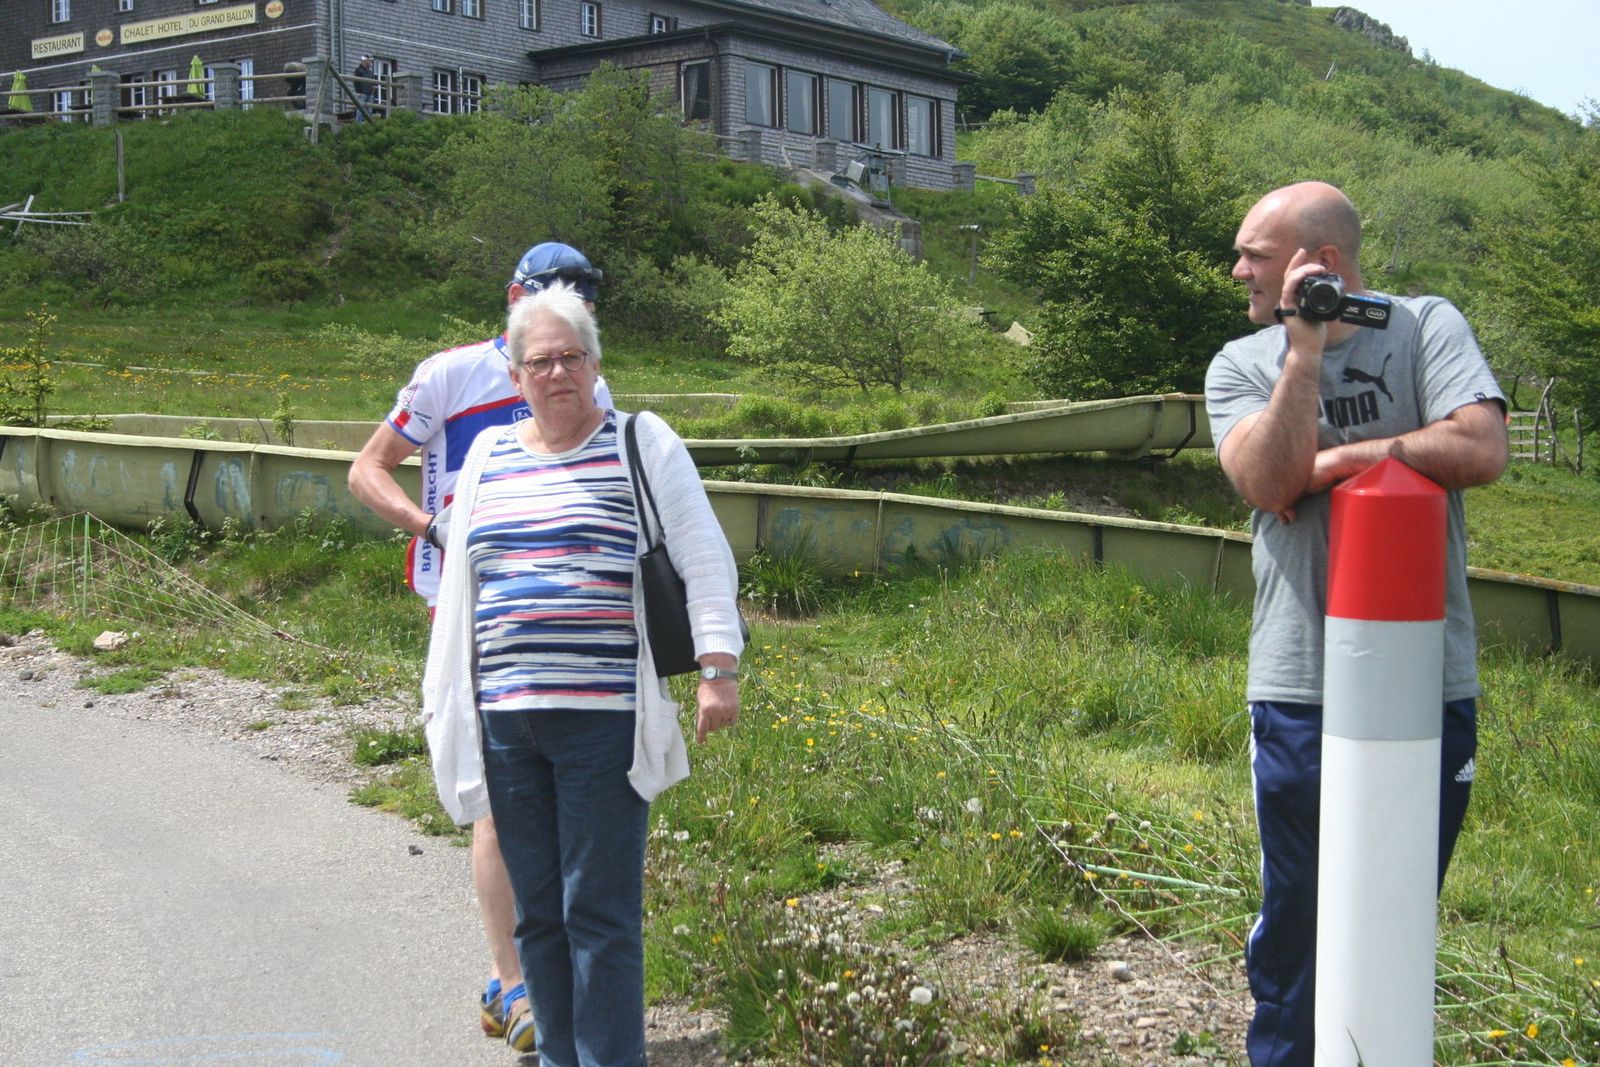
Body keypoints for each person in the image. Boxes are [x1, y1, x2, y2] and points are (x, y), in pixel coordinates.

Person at [1204, 180, 1508, 1067]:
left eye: (1254, 256)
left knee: (1397, 909)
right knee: (1299, 921)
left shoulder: (1424, 326)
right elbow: (1267, 480)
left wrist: (1339, 462)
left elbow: (1481, 446)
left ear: (1321, 261)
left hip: (1426, 681)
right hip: (1302, 684)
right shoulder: (1243, 363)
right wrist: (1301, 352)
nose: (1238, 271)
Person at [422, 283, 743, 1067]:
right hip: (507, 720)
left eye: (572, 356)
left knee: (598, 912)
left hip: (603, 720)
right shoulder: (490, 455)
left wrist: (717, 666)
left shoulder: (641, 441)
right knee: (538, 914)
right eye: (540, 361)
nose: (557, 372)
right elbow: (465, 578)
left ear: (596, 365)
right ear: (515, 375)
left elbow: (703, 553)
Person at [348, 242, 611, 1052]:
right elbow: (367, 469)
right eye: (547, 294)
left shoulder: (590, 381)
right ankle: (514, 980)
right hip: (464, 610)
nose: (561, 314)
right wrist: (432, 526)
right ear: (511, 295)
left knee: (565, 796)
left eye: (580, 299)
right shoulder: (449, 375)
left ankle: (551, 977)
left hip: (559, 616)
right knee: (497, 796)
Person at [352, 55, 375, 120]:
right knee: (360, 110)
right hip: (362, 93)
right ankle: (358, 124)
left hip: (369, 93)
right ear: (365, 61)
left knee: (369, 110)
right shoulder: (358, 70)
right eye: (369, 60)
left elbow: (373, 81)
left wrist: (373, 86)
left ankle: (368, 124)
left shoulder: (370, 71)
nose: (370, 62)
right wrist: (358, 92)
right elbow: (356, 81)